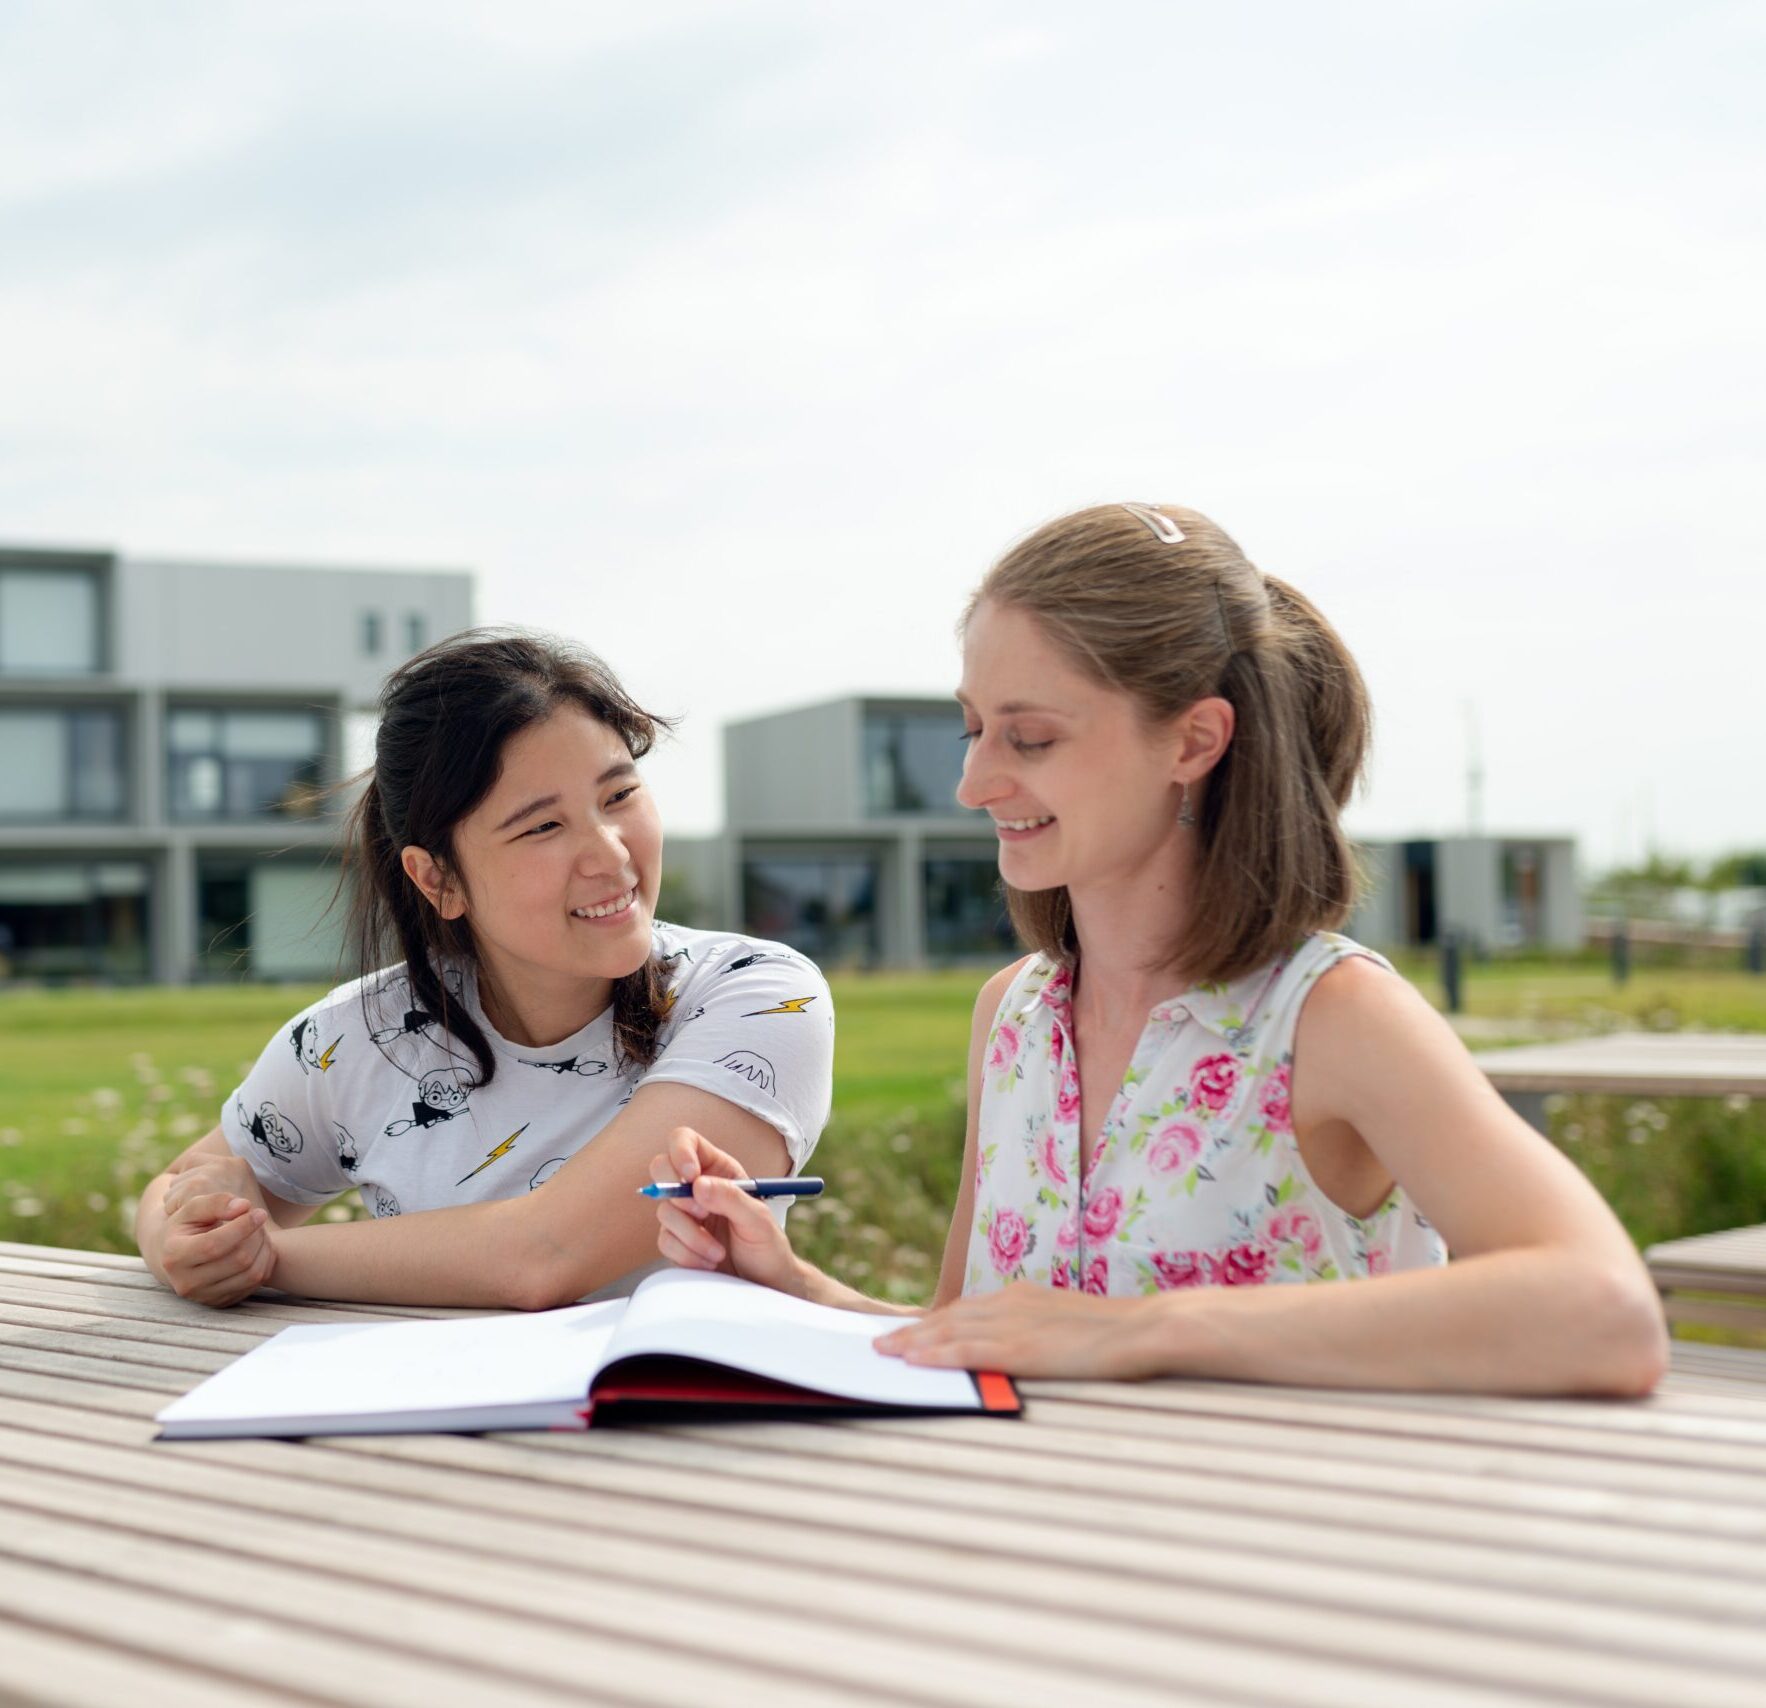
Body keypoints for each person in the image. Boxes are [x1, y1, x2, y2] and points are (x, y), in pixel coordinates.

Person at [652, 503, 1668, 1395]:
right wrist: (788, 1281)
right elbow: (978, 1337)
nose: (972, 782)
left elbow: (1604, 1312)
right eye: (970, 730)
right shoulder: (1010, 1017)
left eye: (1030, 737)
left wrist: (1148, 1332)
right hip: (1058, 1565)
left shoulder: (1331, 1017)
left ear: (1190, 741)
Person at [137, 631, 832, 1310]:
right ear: (437, 879)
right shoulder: (355, 1039)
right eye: (543, 827)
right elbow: (177, 1187)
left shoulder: (759, 994)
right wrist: (190, 1237)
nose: (610, 855)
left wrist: (265, 1259)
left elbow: (547, 1256)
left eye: (619, 796)